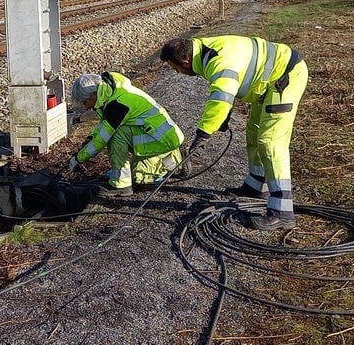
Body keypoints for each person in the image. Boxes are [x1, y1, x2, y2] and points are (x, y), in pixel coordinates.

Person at [160, 36, 308, 231]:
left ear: (185, 62)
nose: (177, 72)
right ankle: (256, 187)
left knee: (270, 143)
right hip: (265, 85)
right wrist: (223, 116)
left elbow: (221, 97)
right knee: (254, 133)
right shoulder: (202, 50)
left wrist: (203, 133)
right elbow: (230, 83)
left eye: (175, 68)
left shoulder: (216, 61)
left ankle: (282, 212)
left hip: (284, 78)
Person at [68, 71, 185, 197]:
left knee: (115, 137)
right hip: (160, 134)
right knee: (134, 167)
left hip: (161, 139)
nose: (86, 108)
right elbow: (105, 122)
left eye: (85, 103)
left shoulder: (118, 104)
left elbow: (101, 140)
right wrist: (90, 138)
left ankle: (121, 185)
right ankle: (174, 159)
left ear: (93, 95)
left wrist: (79, 158)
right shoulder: (110, 90)